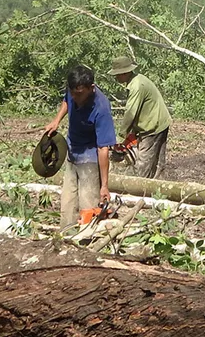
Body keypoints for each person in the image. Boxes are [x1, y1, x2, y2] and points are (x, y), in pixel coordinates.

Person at [45, 65, 117, 229]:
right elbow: (66, 100)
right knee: (67, 204)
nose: (75, 97)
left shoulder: (101, 108)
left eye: (79, 94)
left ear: (91, 88)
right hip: (72, 150)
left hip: (90, 158)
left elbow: (103, 149)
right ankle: (66, 235)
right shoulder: (73, 89)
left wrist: (104, 186)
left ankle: (86, 239)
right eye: (72, 93)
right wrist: (56, 120)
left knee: (88, 208)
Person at [108, 56, 172, 178]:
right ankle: (157, 184)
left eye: (117, 74)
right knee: (157, 163)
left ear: (124, 73)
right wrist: (132, 132)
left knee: (144, 163)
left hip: (153, 126)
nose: (116, 77)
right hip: (157, 121)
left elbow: (131, 112)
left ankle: (142, 185)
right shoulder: (137, 80)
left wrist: (121, 135)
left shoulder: (136, 86)